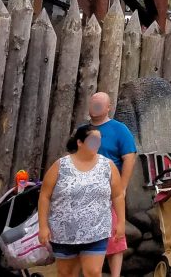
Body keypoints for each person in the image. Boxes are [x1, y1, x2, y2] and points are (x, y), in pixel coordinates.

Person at [39, 125, 126, 277]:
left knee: (93, 272)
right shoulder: (61, 165)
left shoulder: (107, 166)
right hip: (63, 232)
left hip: (97, 231)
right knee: (66, 274)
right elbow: (44, 196)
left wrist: (121, 222)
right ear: (80, 142)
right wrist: (43, 226)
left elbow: (117, 196)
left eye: (99, 140)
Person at [85, 92, 136, 277]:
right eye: (93, 104)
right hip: (84, 191)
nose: (95, 107)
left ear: (108, 107)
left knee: (114, 235)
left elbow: (129, 156)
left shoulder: (119, 129)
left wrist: (122, 187)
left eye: (100, 104)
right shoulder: (82, 130)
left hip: (108, 191)